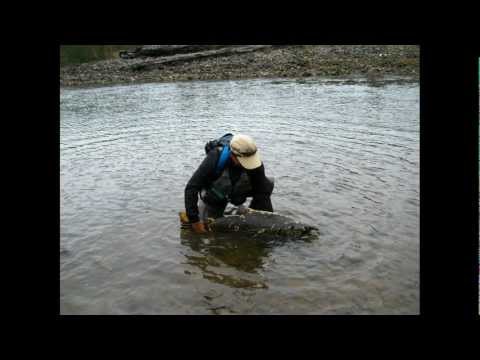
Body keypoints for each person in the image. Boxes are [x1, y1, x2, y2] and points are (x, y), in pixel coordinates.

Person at [184, 133, 274, 234]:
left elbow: (263, 193)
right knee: (210, 228)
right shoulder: (215, 156)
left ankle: (244, 212)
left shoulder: (254, 161)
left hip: (237, 192)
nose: (248, 163)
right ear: (232, 155)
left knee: (268, 184)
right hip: (216, 193)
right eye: (244, 161)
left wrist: (266, 220)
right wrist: (194, 221)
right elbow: (191, 187)